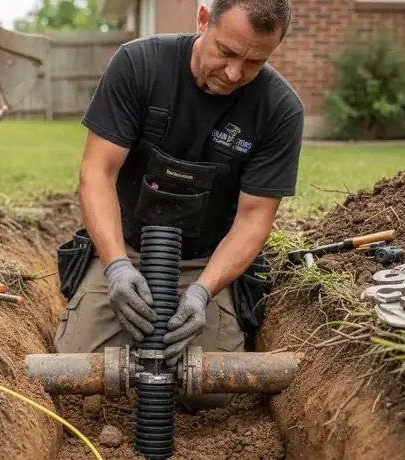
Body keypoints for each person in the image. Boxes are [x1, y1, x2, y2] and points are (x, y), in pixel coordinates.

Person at [53, 0, 303, 412]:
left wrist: (203, 293)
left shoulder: (279, 110)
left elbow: (254, 219)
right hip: (126, 248)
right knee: (74, 373)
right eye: (226, 51)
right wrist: (115, 266)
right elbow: (97, 173)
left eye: (254, 62)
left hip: (203, 263)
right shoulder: (139, 64)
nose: (235, 73)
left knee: (213, 391)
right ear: (203, 19)